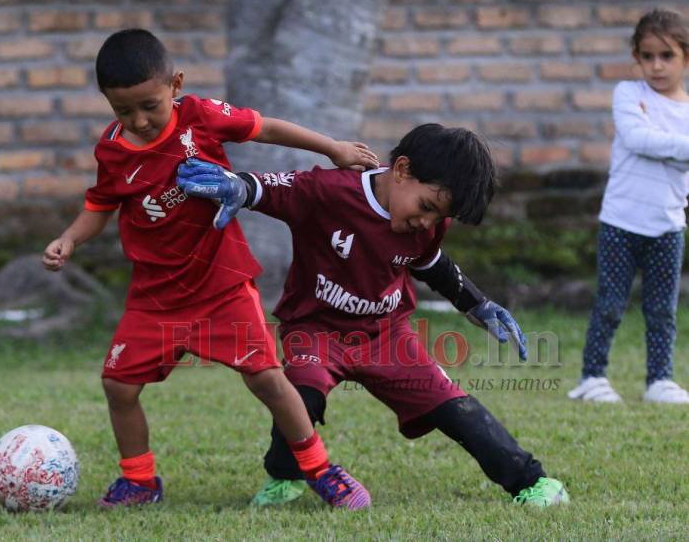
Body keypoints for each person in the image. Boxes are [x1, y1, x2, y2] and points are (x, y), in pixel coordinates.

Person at [42, 28, 380, 509]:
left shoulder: (200, 117)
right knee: (118, 385)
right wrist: (69, 239)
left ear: (175, 85)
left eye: (149, 105)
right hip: (155, 297)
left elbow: (267, 127)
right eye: (123, 110)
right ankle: (140, 481)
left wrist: (333, 149)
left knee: (266, 378)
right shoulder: (113, 150)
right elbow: (99, 204)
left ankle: (321, 470)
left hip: (220, 285)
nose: (137, 120)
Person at [177, 123, 569, 508]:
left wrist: (475, 303)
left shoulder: (427, 222)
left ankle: (531, 481)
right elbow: (266, 188)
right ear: (401, 170)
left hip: (387, 336)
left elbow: (429, 262)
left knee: (455, 407)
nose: (427, 223)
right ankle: (285, 477)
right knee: (300, 394)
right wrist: (237, 186)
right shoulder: (328, 191)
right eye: (427, 208)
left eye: (438, 218)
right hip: (316, 331)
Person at [568, 9, 689, 404]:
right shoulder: (627, 94)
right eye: (648, 55)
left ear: (685, 57)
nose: (656, 65)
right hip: (621, 223)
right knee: (611, 304)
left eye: (667, 56)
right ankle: (592, 378)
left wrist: (661, 142)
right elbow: (637, 140)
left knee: (662, 310)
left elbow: (658, 145)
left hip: (668, 226)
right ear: (637, 56)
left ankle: (660, 381)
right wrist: (673, 147)